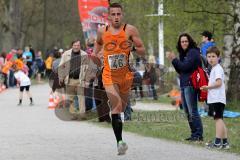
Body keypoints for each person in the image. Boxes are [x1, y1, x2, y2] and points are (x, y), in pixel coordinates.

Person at [92, 2, 145, 155]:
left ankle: (120, 138)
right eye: (113, 14)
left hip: (125, 76)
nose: (116, 17)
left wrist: (132, 47)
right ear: (108, 16)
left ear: (122, 15)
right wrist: (97, 56)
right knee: (115, 107)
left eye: (118, 14)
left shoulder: (130, 30)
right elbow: (96, 48)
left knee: (121, 107)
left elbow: (142, 49)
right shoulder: (102, 31)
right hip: (108, 75)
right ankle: (119, 142)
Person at [166, 33, 203, 142]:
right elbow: (181, 70)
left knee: (193, 110)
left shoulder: (193, 52)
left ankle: (198, 134)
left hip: (191, 84)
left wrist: (174, 59)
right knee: (187, 111)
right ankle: (194, 134)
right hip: (184, 84)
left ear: (189, 41)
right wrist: (174, 61)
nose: (184, 43)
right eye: (182, 41)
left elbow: (185, 67)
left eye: (186, 41)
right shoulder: (184, 53)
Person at [200, 47, 229, 149]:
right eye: (209, 57)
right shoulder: (214, 68)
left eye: (213, 56)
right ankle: (225, 143)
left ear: (218, 57)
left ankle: (217, 143)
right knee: (219, 119)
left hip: (217, 99)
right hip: (216, 99)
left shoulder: (217, 68)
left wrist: (207, 87)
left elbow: (218, 83)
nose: (211, 59)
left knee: (218, 120)